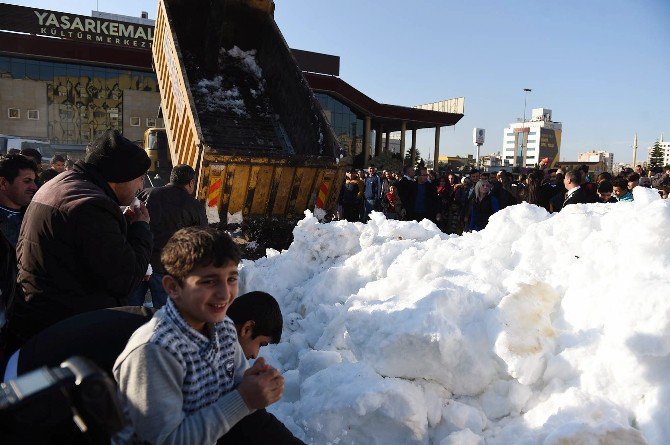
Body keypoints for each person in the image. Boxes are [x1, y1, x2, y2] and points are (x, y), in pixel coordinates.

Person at [113, 226, 284, 444]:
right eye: (209, 281)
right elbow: (166, 441)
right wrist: (244, 399)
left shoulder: (224, 330)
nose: (225, 293)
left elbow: (235, 393)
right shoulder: (154, 351)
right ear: (173, 287)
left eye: (231, 278)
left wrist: (254, 385)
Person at [5, 130, 153, 352]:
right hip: (68, 331)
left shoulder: (64, 184)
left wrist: (118, 228)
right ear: (120, 176)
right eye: (139, 178)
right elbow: (126, 278)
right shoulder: (91, 206)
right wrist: (140, 227)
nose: (141, 187)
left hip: (42, 318)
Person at [128, 165, 207, 309]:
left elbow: (129, 220)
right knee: (165, 315)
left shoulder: (146, 194)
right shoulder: (195, 206)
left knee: (128, 311)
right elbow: (201, 241)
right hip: (167, 270)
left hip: (140, 263)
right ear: (190, 183)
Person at [0, 155, 38, 247]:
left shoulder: (36, 214)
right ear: (3, 183)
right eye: (27, 181)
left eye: (34, 181)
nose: (34, 187)